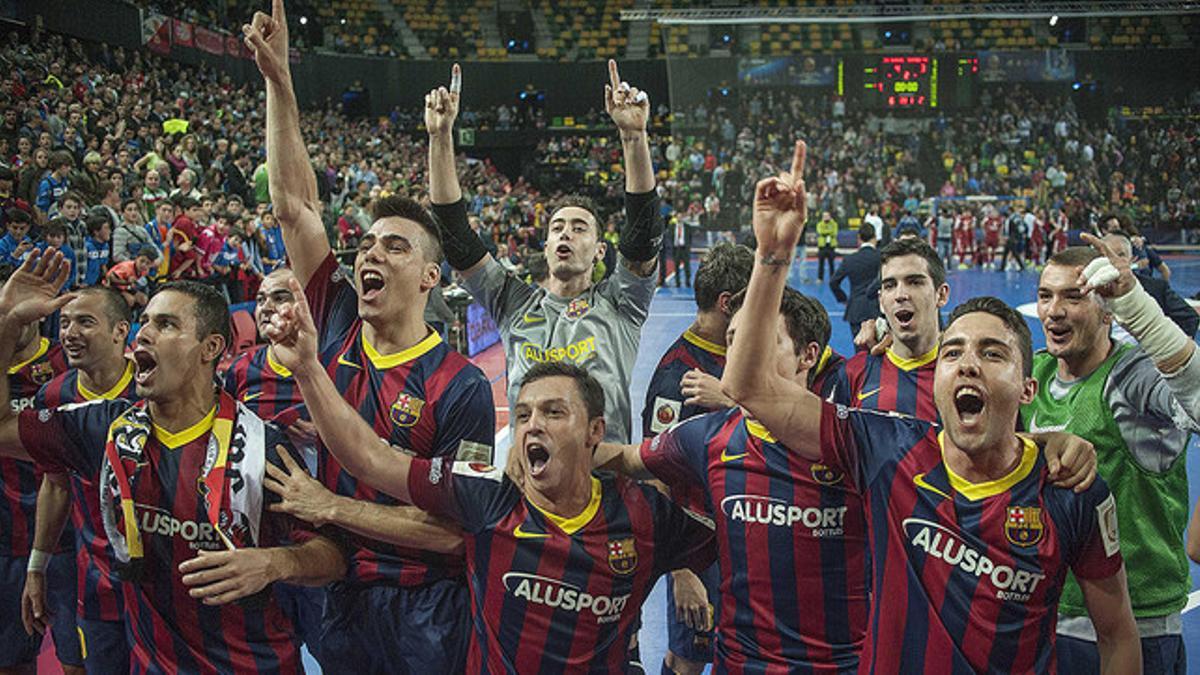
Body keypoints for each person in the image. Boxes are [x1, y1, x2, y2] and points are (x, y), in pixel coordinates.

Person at [720, 156, 1142, 672]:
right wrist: (772, 256)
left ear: (1029, 387)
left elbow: (1118, 635)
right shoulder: (886, 449)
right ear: (936, 377)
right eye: (954, 353)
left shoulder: (1073, 493)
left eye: (992, 353)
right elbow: (747, 386)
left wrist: (1053, 439)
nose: (967, 365)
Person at [259, 288, 716, 671]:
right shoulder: (487, 497)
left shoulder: (644, 514)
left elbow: (741, 532)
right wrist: (308, 370)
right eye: (522, 415)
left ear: (595, 430)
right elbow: (371, 459)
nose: (532, 425)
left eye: (554, 412)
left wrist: (683, 569)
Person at [248, 3, 495, 670]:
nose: (370, 256)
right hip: (337, 592)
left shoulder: (463, 385)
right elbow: (294, 206)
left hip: (426, 607)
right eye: (365, 245)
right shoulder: (334, 318)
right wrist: (279, 83)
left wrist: (330, 505)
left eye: (393, 246)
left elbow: (451, 532)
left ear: (430, 277)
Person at [0, 252, 348, 674]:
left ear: (211, 348)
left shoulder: (262, 446)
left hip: (253, 664)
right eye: (144, 321)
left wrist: (276, 562)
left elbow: (333, 554)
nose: (143, 335)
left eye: (165, 324)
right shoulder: (104, 428)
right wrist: (7, 322)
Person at [598, 282, 868, 673]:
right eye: (733, 341)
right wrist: (549, 450)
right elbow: (624, 457)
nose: (740, 356)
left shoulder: (855, 442)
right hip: (740, 663)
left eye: (759, 340)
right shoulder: (708, 436)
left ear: (808, 356)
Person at [426, 61, 661, 445]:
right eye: (557, 228)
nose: (566, 232)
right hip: (529, 484)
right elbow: (456, 239)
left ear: (601, 249)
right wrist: (440, 137)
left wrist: (634, 137)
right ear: (547, 246)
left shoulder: (622, 302)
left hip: (601, 481)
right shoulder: (514, 302)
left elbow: (642, 236)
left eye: (579, 227)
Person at [1029, 239, 1200, 673]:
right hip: (1046, 618)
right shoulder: (1035, 372)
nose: (1054, 310)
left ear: (1108, 310)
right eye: (1046, 295)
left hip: (1138, 628)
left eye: (1073, 296)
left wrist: (1136, 304)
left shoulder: (1131, 377)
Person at [639, 241, 752, 675]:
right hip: (700, 544)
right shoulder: (678, 375)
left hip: (743, 531)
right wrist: (680, 569)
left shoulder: (739, 356)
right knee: (688, 658)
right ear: (728, 304)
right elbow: (655, 473)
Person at [21, 287, 135, 675]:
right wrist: (37, 566)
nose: (70, 333)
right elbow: (55, 484)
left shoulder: (158, 387)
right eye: (65, 322)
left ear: (121, 331)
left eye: (85, 322)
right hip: (94, 575)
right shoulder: (52, 396)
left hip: (163, 578)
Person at [1, 309, 71, 675]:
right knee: (12, 661)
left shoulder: (68, 360)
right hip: (5, 543)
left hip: (70, 541)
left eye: (13, 313)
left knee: (79, 663)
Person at [836, 237, 947, 422]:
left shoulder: (965, 372)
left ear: (941, 295)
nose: (900, 295)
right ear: (880, 301)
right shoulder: (852, 374)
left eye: (914, 282)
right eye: (890, 285)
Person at [830, 223, 881, 349]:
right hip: (878, 309)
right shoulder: (882, 257)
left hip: (856, 309)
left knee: (860, 353)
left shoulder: (850, 259)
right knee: (880, 352)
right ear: (874, 237)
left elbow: (833, 282)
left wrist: (843, 299)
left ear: (859, 238)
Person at [815, 210, 838, 281]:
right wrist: (829, 231)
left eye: (827, 216)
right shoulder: (819, 224)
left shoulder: (834, 224)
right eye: (824, 216)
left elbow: (834, 233)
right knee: (821, 263)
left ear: (830, 217)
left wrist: (826, 232)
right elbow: (820, 232)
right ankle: (820, 278)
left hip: (831, 246)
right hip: (822, 246)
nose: (825, 217)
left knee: (831, 263)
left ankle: (832, 278)